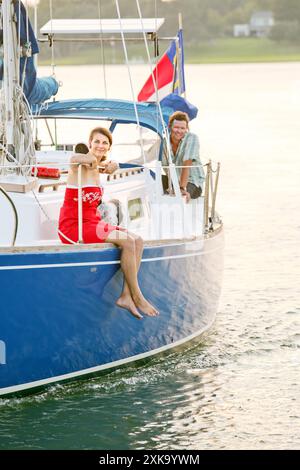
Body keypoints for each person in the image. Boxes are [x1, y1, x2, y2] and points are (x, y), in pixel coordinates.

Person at [58, 126, 158, 320]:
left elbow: (100, 165)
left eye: (105, 143)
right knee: (127, 242)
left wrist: (111, 164)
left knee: (137, 240)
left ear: (109, 147)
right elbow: (75, 159)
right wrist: (101, 161)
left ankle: (126, 296)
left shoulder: (97, 169)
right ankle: (138, 296)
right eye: (97, 141)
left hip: (92, 221)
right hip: (74, 226)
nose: (100, 146)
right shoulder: (79, 166)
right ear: (89, 143)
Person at [162, 111, 205, 201]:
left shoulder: (192, 138)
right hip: (174, 181)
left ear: (186, 129)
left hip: (192, 182)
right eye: (176, 127)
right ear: (170, 127)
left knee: (181, 195)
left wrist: (181, 188)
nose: (179, 131)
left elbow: (187, 163)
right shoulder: (164, 141)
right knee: (152, 180)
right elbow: (147, 155)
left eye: (183, 128)